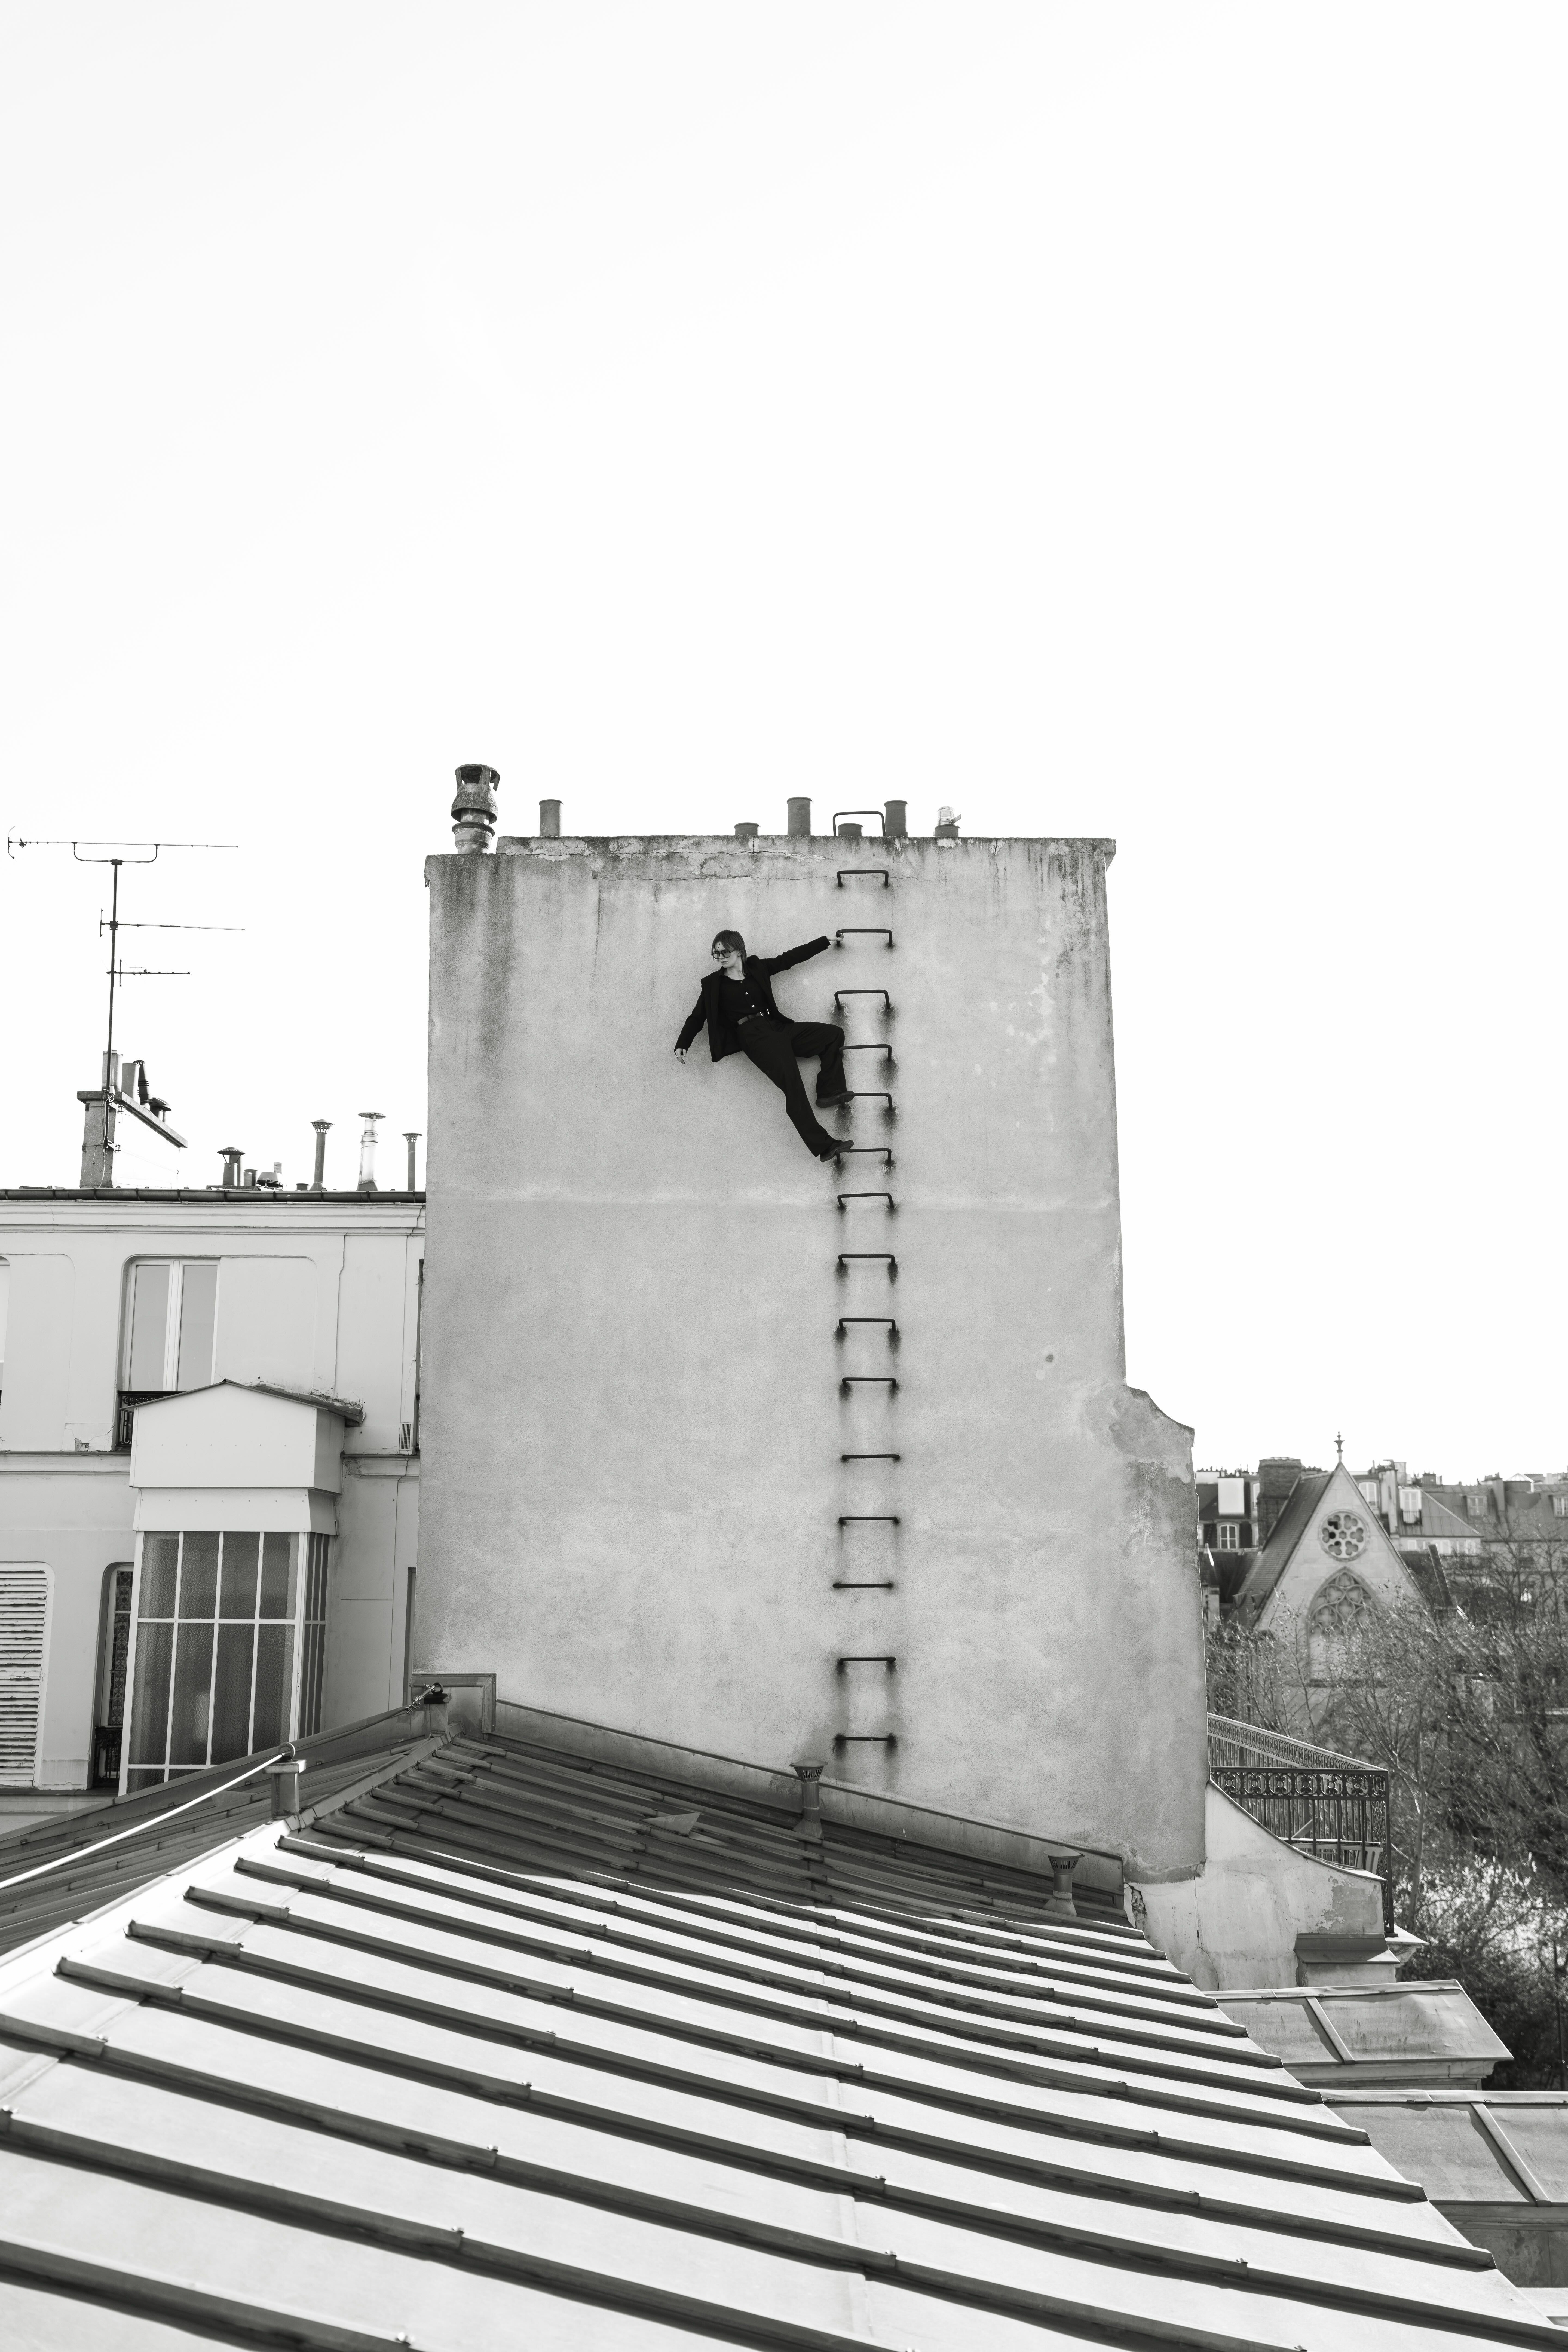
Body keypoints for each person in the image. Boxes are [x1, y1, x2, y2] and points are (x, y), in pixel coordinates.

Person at [674, 929, 849, 1159]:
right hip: (753, 1036)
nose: (720, 958)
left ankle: (829, 1091)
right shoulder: (713, 985)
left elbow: (789, 959)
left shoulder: (757, 968)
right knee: (793, 1086)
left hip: (777, 1027)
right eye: (715, 955)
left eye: (724, 952)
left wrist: (824, 942)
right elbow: (698, 1017)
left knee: (832, 1035)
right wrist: (683, 1042)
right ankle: (825, 1146)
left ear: (738, 950)